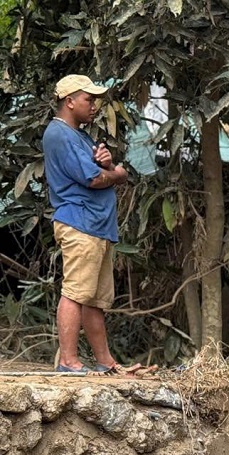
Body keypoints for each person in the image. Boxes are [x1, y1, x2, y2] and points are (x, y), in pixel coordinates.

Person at [42, 74, 130, 374]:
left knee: (93, 299)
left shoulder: (79, 136)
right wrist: (116, 174)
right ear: (69, 101)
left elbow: (100, 171)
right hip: (80, 222)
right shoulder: (60, 134)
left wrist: (107, 165)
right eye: (88, 100)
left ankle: (106, 362)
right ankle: (68, 361)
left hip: (96, 225)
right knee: (75, 292)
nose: (94, 106)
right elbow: (93, 179)